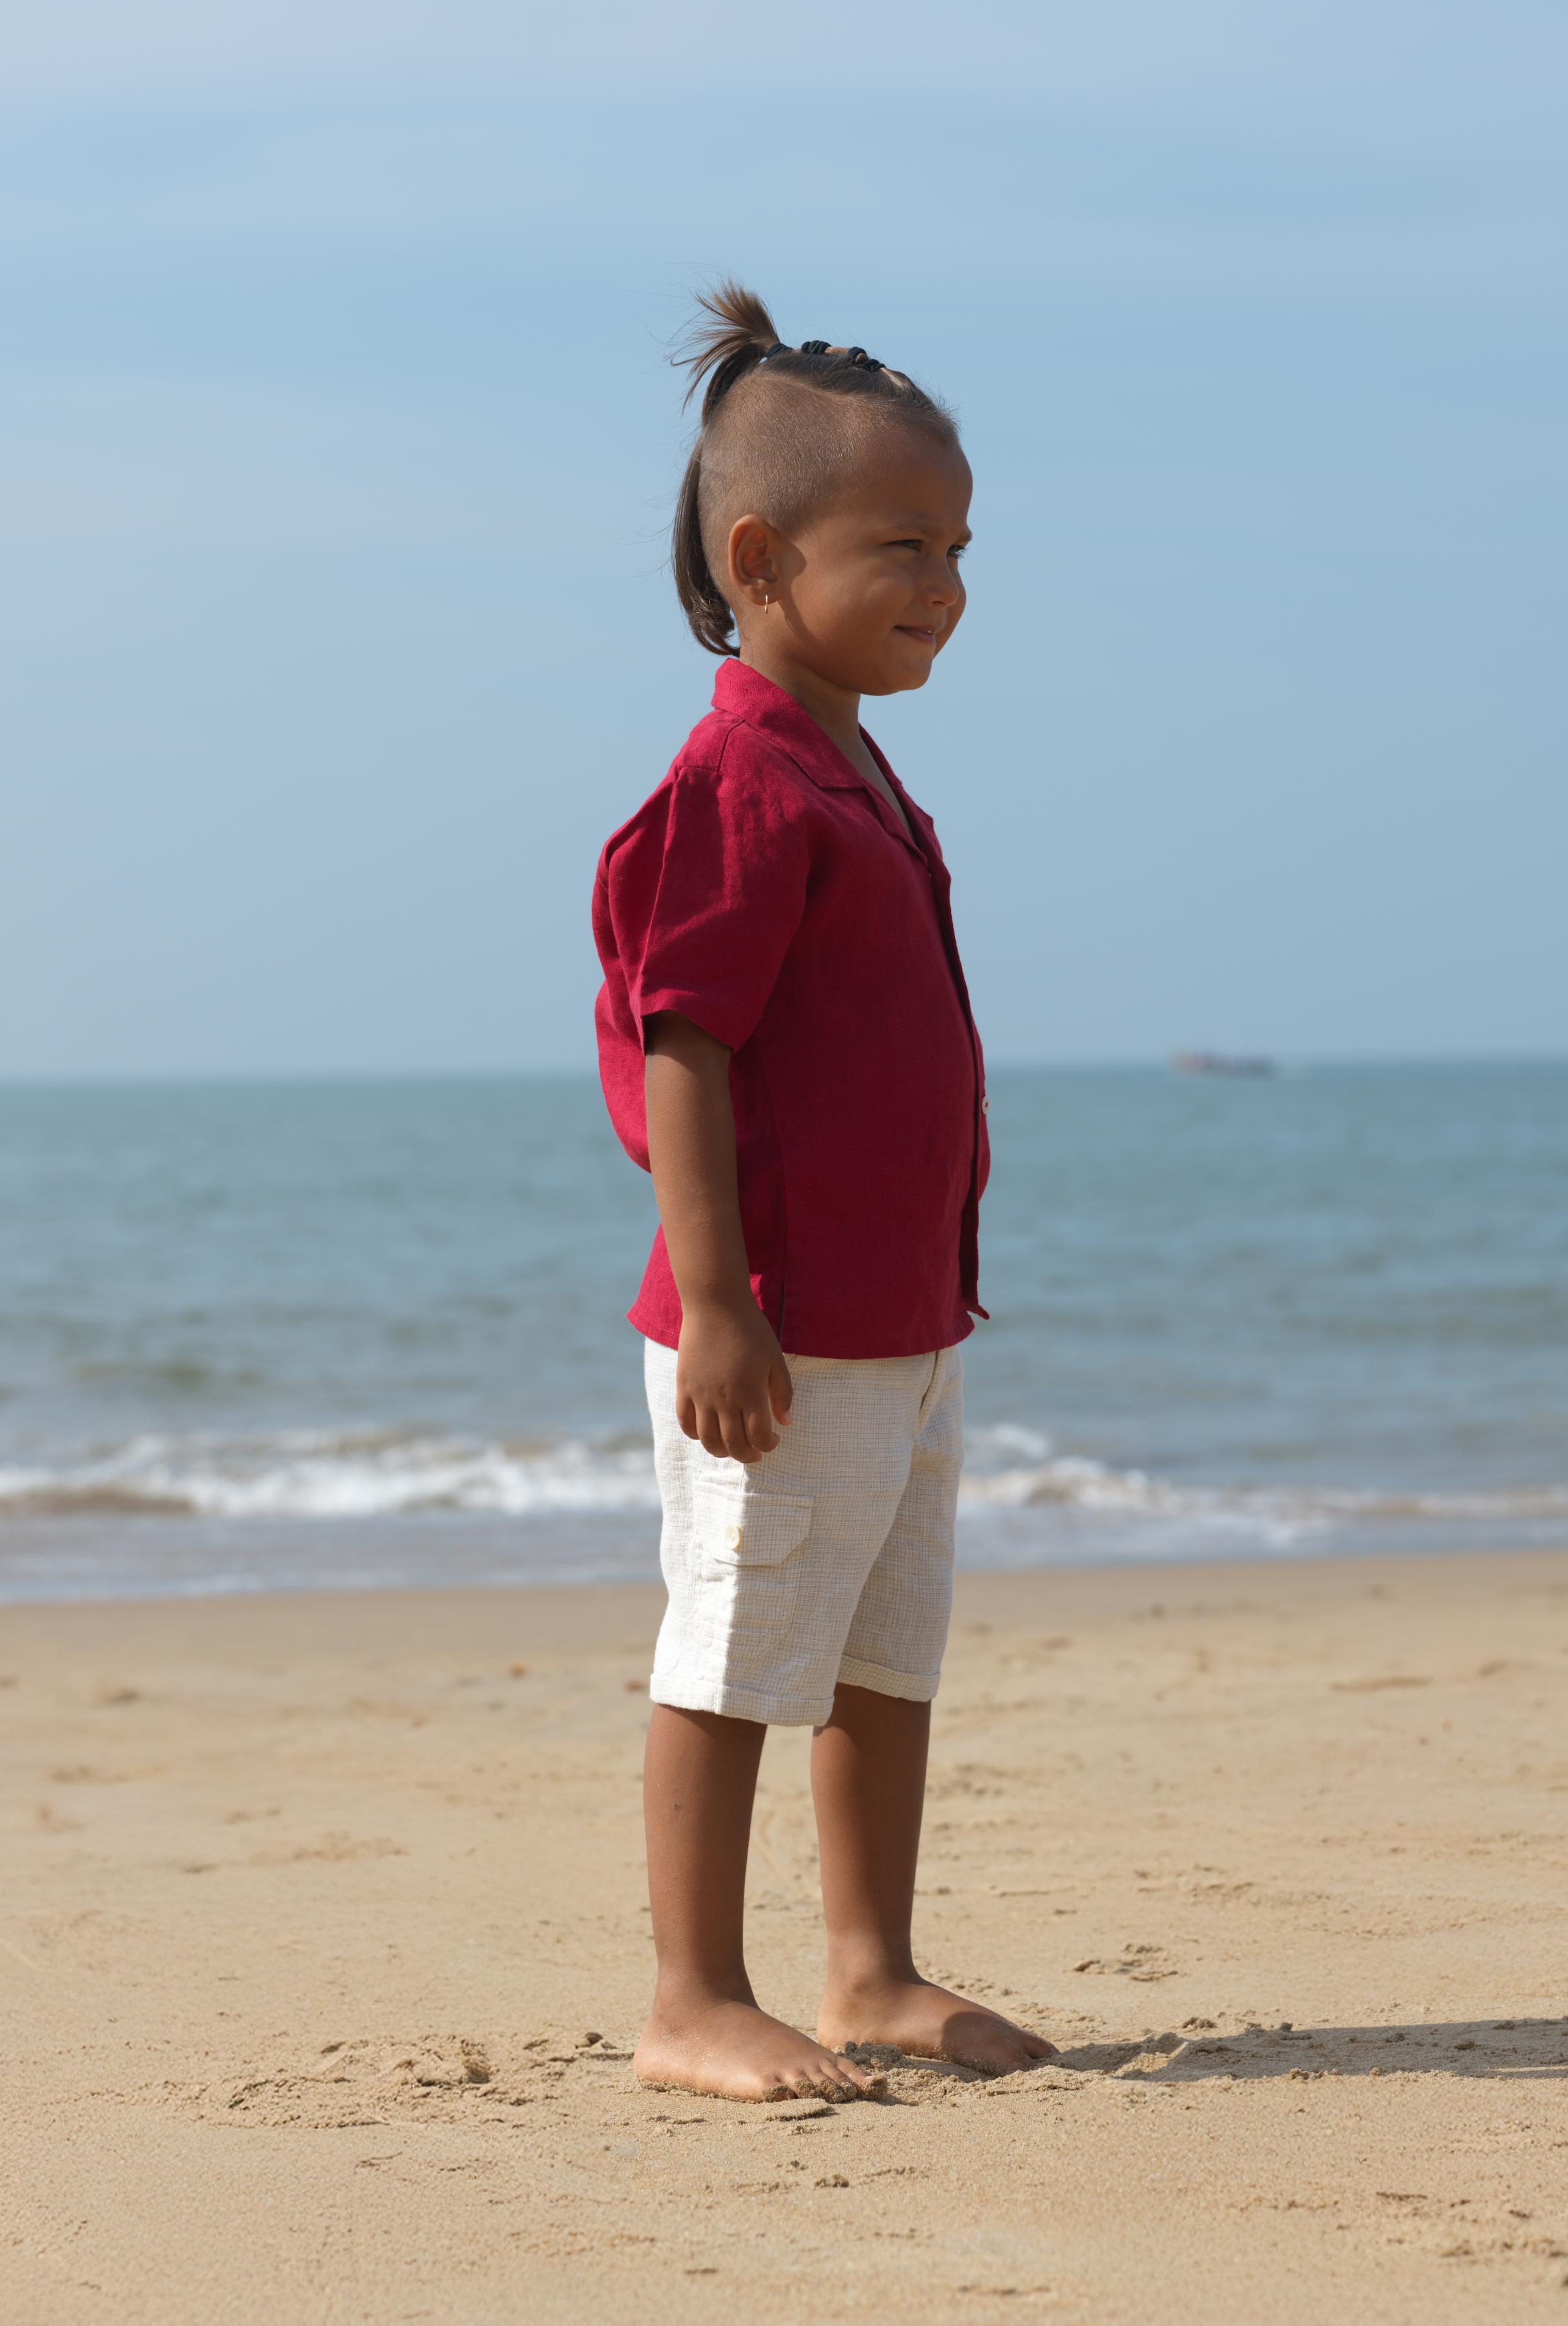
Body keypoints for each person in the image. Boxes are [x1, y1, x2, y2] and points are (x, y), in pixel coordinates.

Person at [591, 284, 1057, 2103]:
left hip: (898, 1318)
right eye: (899, 548)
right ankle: (691, 1996)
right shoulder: (740, 782)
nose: (941, 583)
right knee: (731, 1643)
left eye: (956, 547)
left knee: (878, 1651)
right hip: (776, 1322)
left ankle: (871, 1971)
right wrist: (718, 1301)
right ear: (761, 557)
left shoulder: (852, 766)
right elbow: (682, 1044)